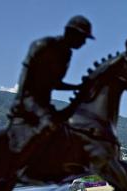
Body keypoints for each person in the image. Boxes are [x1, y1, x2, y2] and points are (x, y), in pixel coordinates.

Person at [8, 15, 94, 160]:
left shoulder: (67, 54)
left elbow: (54, 83)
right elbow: (26, 73)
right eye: (83, 37)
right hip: (30, 99)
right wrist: (20, 100)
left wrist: (79, 87)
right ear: (71, 32)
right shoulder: (44, 45)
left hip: (44, 103)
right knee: (48, 125)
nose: (84, 42)